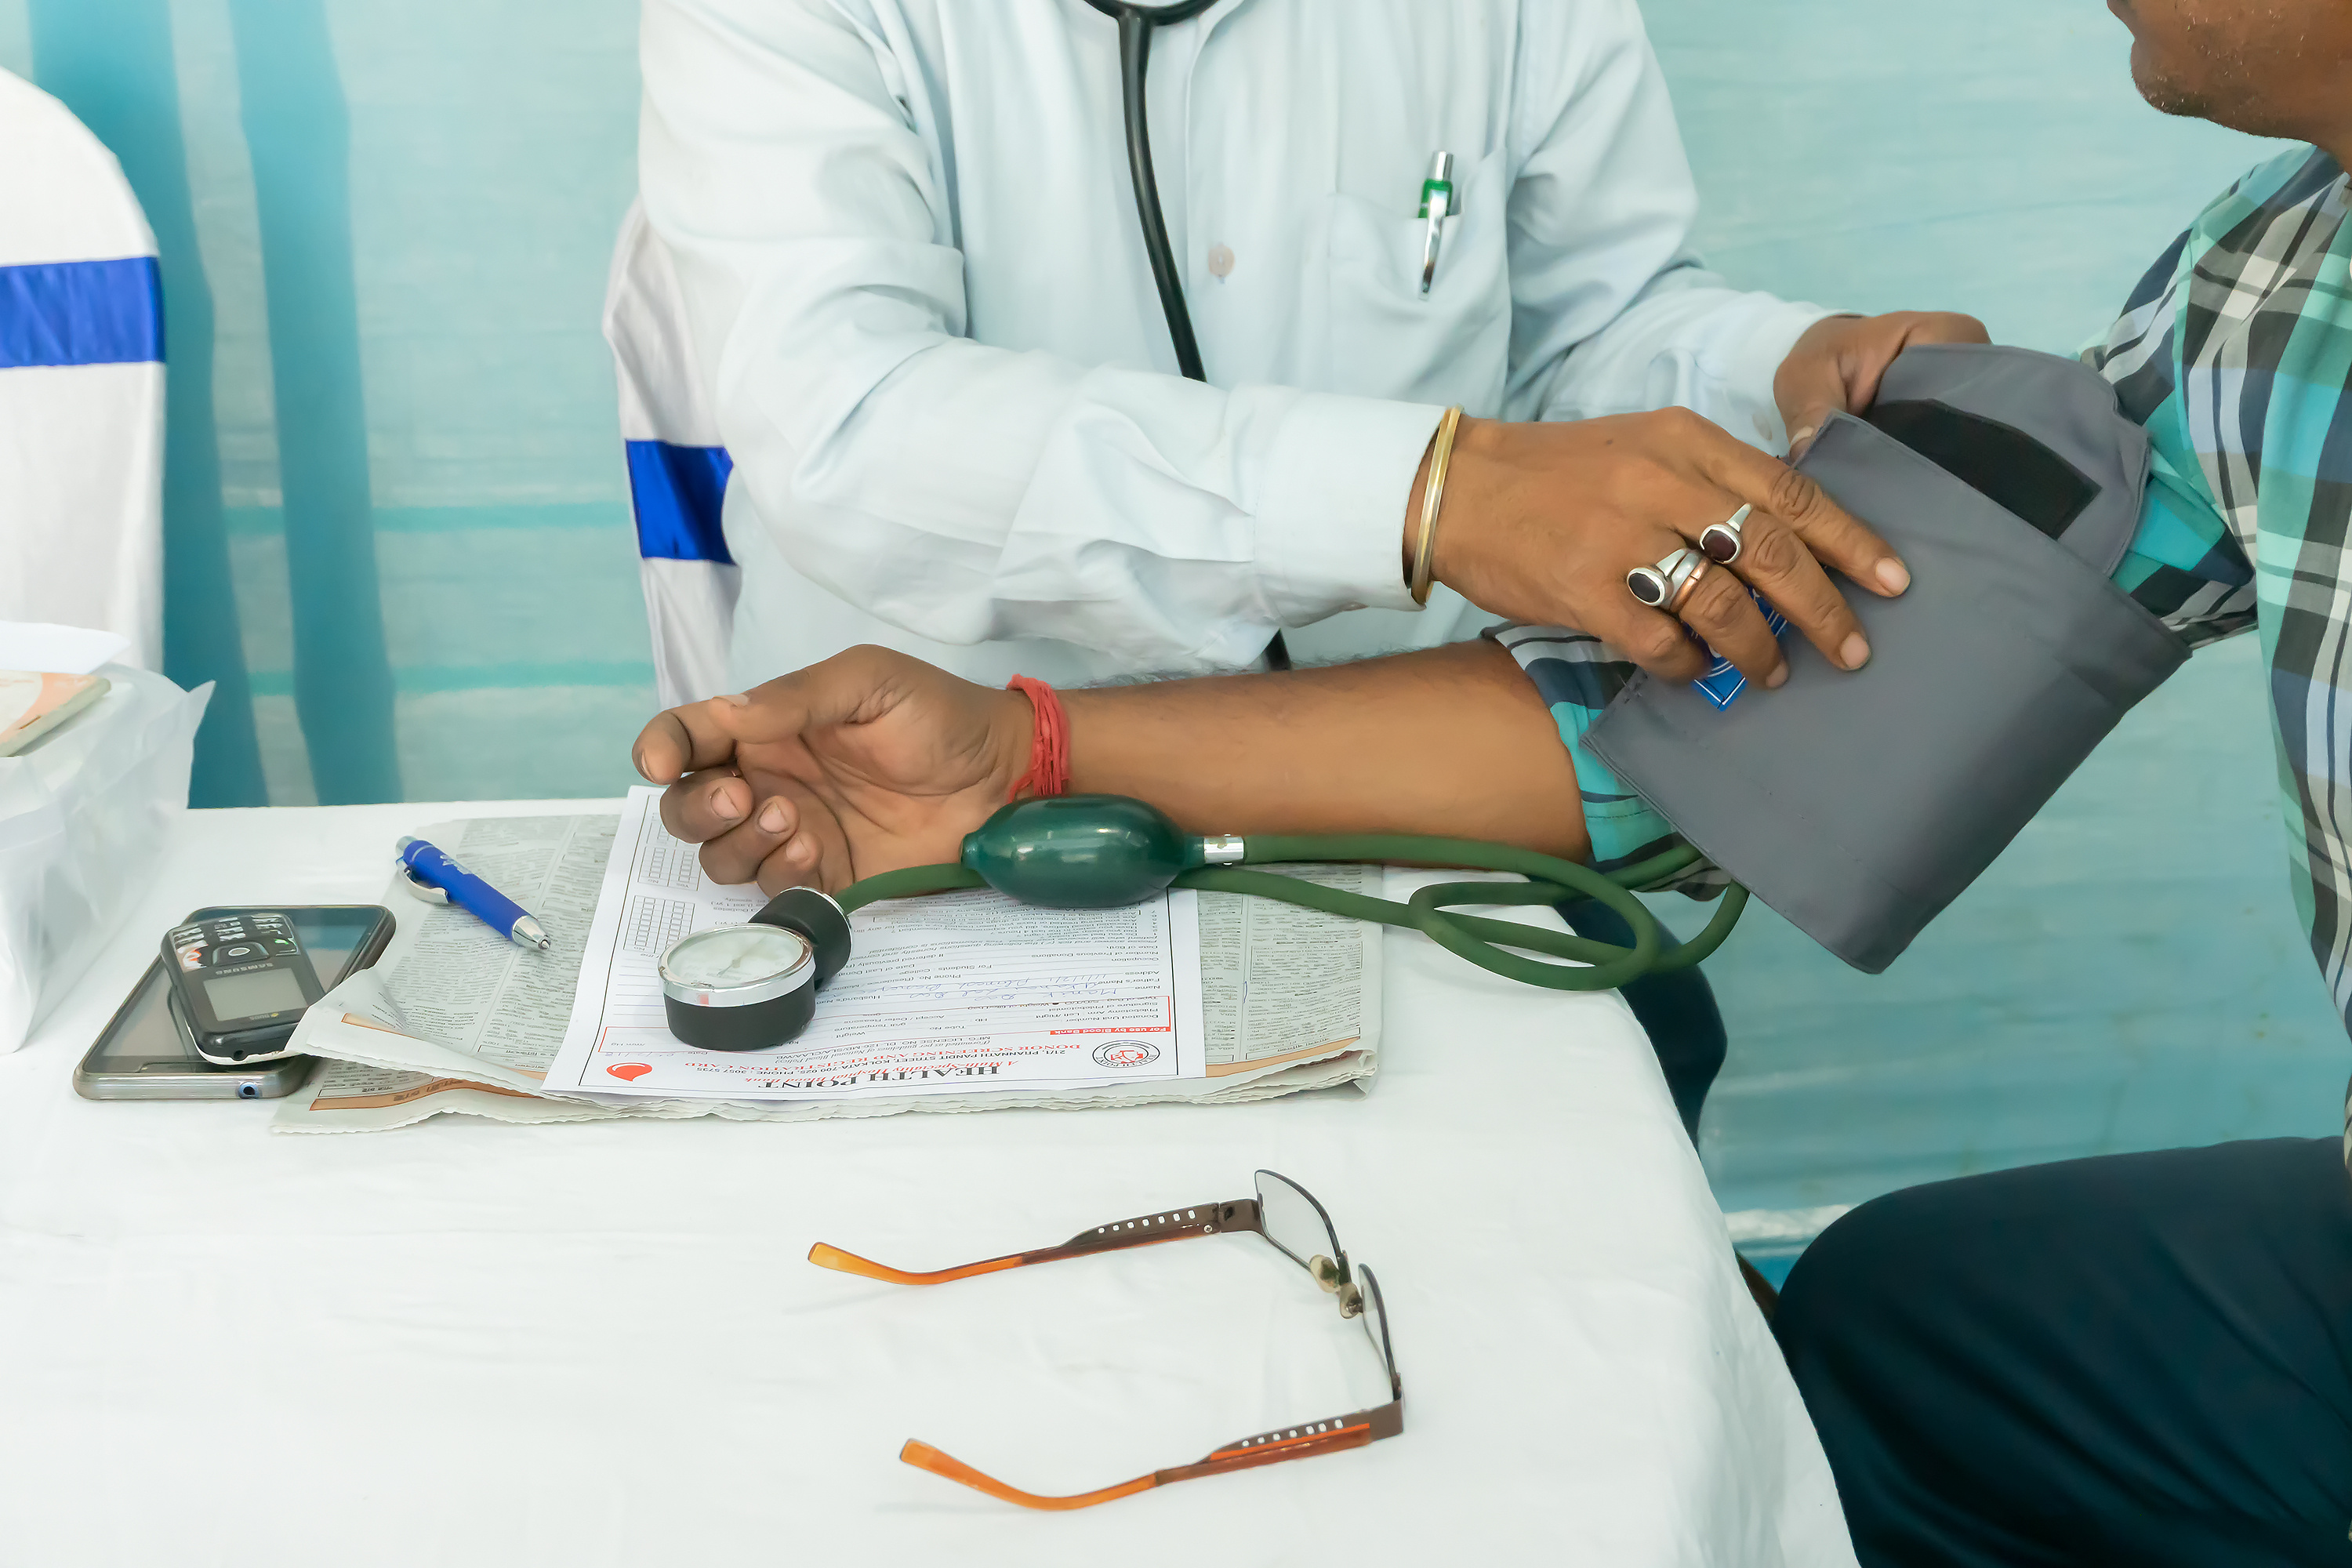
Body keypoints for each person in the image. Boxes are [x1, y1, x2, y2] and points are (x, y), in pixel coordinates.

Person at [636, 2, 2352, 1552]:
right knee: (1855, 1343)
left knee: (1570, 1392)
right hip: (1046, 817)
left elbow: (1597, 323)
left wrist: (1715, 380)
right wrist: (1032, 755)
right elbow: (846, 422)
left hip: (1411, 823)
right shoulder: (2260, 292)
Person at [637, 0, 1980, 694]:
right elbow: (851, 425)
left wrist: (1780, 366)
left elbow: (1589, 331)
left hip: (1424, 794)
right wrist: (1423, 497)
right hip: (927, 810)